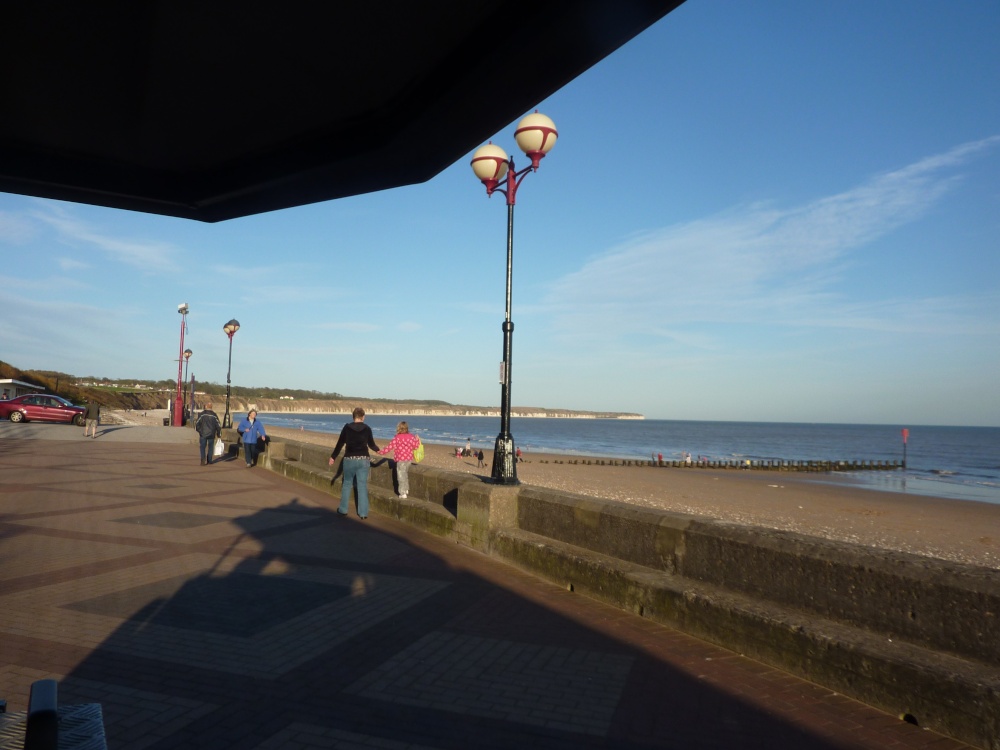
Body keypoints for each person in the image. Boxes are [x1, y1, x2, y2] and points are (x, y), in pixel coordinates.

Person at [328, 407, 379, 518]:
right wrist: (379, 450)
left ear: (353, 416)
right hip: (364, 459)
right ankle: (363, 513)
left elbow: (340, 444)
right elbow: (371, 444)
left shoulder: (346, 428)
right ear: (363, 417)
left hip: (349, 459)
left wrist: (333, 457)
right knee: (362, 485)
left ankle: (343, 510)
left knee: (347, 484)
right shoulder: (367, 428)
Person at [377, 421, 421, 499]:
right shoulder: (411, 437)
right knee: (405, 474)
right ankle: (406, 489)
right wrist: (417, 439)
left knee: (401, 476)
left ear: (399, 429)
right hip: (408, 459)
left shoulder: (397, 438)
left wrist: (381, 452)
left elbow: (389, 447)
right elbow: (416, 446)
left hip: (401, 460)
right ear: (407, 428)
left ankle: (403, 492)